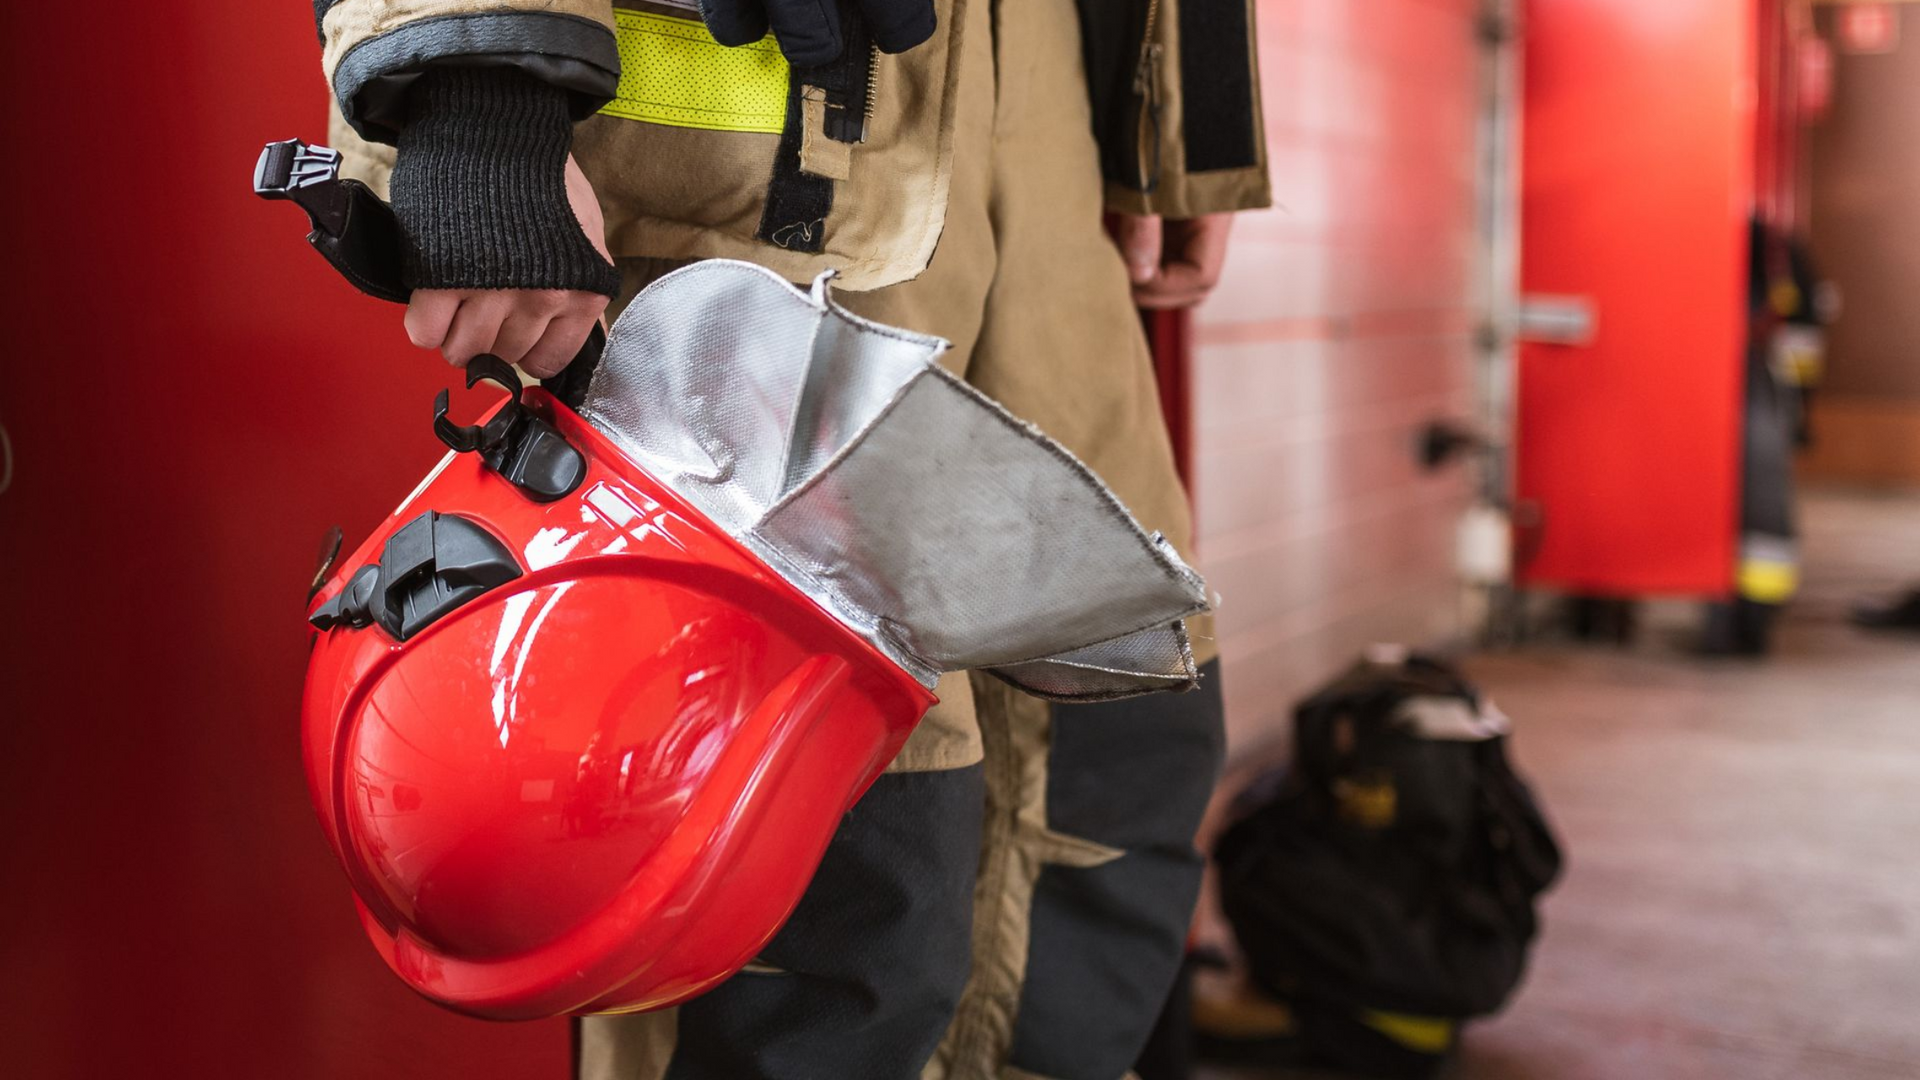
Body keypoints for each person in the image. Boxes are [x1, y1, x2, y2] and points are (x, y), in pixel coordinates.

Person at [307, 0, 1270, 1075]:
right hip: (755, 154)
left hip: (1047, 115)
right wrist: (477, 91)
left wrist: (1183, 119)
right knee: (823, 883)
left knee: (1108, 776)